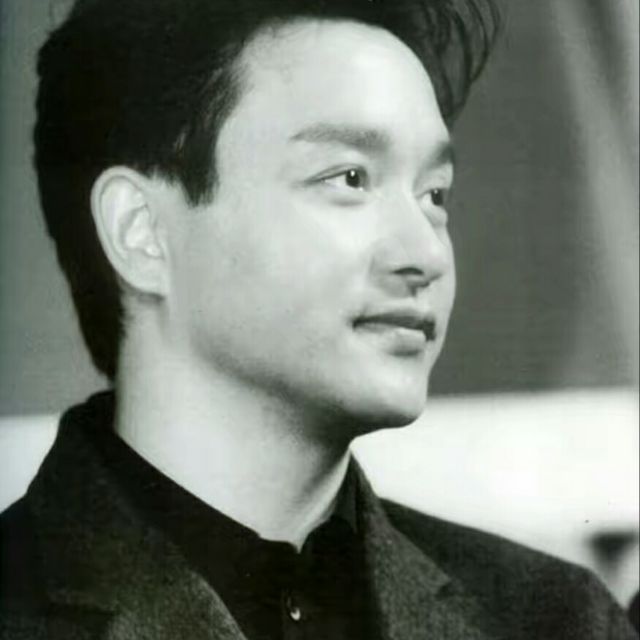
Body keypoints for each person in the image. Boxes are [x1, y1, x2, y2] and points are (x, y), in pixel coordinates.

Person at [0, 0, 636, 638]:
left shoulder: (559, 620)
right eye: (350, 178)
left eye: (434, 195)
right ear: (142, 232)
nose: (426, 254)